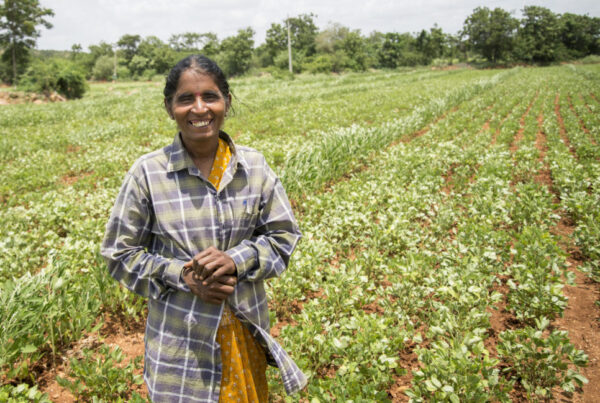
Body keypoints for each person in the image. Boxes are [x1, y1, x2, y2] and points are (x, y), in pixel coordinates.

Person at [101, 54, 306, 402]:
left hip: (245, 331)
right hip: (180, 347)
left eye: (210, 96)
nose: (199, 109)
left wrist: (236, 260)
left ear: (225, 100)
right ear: (170, 108)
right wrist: (182, 275)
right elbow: (118, 254)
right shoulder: (148, 173)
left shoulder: (253, 167)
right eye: (185, 99)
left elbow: (283, 236)